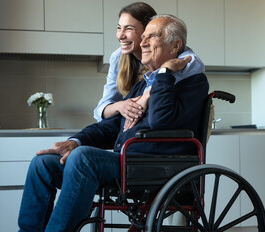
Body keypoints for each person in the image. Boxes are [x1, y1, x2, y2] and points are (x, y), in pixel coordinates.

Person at [18, 14, 209, 232]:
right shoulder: (143, 85)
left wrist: (164, 72)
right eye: (143, 36)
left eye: (152, 36)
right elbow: (113, 125)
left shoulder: (192, 82)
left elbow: (160, 121)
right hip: (128, 162)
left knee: (84, 159)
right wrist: (76, 141)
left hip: (155, 165)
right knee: (42, 164)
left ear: (175, 45)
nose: (143, 42)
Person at [94, 2, 205, 123]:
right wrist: (120, 106)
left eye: (129, 28)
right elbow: (101, 110)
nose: (120, 36)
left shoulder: (176, 52)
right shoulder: (118, 57)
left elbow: (193, 63)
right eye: (119, 28)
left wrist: (147, 94)